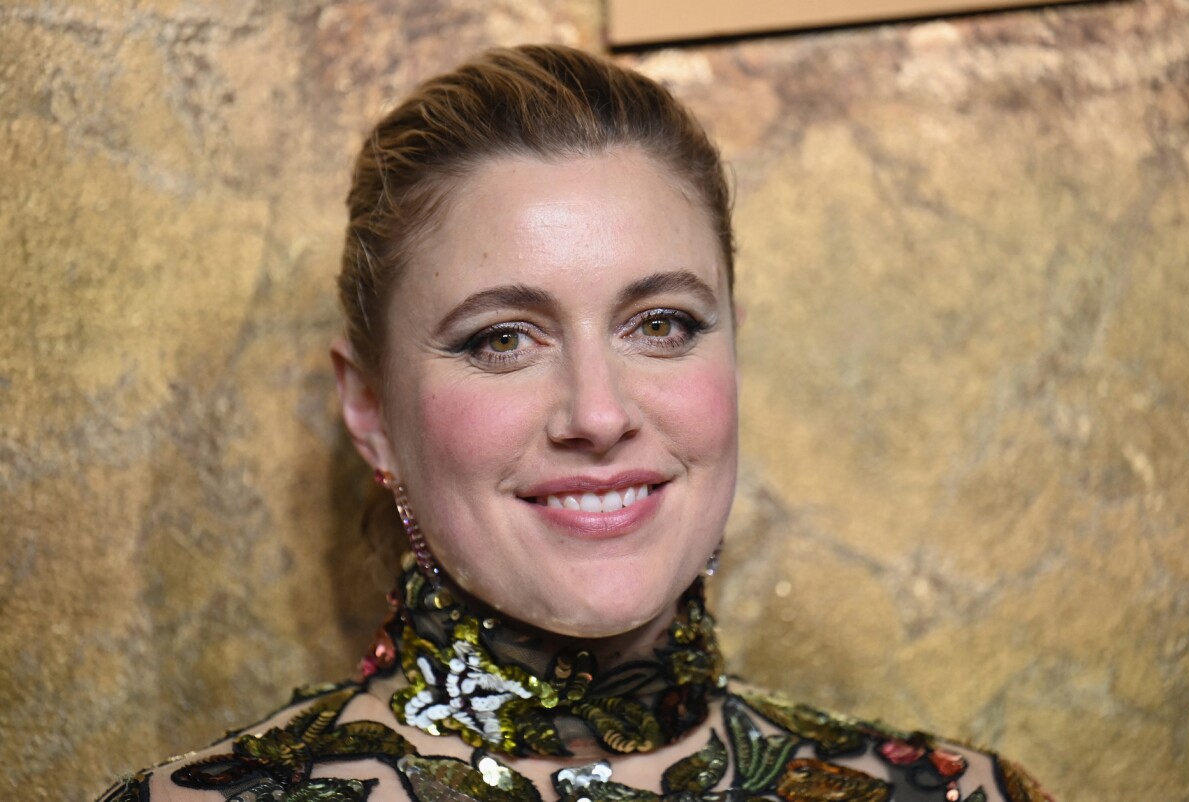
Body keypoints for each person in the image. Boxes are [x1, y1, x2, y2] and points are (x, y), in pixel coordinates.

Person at [98, 44, 1052, 802]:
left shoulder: (962, 795)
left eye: (662, 325)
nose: (597, 415)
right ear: (371, 410)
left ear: (731, 355)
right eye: (502, 339)